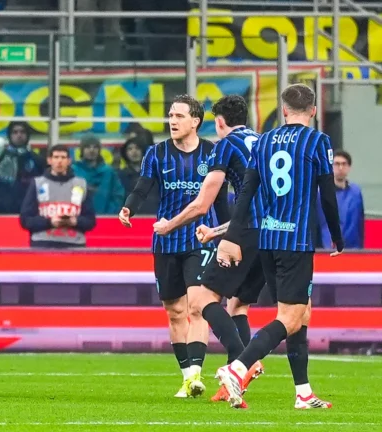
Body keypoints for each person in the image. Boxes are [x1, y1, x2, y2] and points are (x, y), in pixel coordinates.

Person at [215, 83, 342, 409]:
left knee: (301, 313)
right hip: (296, 241)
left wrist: (231, 236)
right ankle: (238, 368)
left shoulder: (264, 141)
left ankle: (303, 393)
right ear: (313, 111)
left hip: (268, 239)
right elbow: (327, 194)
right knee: (291, 316)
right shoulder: (318, 141)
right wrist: (337, 236)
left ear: (283, 110)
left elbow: (245, 193)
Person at [152, 95, 266, 402]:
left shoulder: (225, 145)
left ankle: (244, 361)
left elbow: (202, 204)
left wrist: (169, 225)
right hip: (273, 235)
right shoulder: (264, 141)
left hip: (245, 235)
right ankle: (234, 383)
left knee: (201, 300)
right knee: (238, 305)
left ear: (218, 122)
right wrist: (215, 231)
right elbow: (258, 203)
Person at [118, 94, 230, 398]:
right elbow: (142, 187)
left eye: (179, 116)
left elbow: (221, 199)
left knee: (197, 305)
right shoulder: (156, 153)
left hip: (200, 239)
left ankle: (196, 373)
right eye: (170, 115)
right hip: (165, 240)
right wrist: (129, 207)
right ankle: (187, 378)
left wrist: (227, 235)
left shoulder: (214, 153)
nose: (172, 121)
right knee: (175, 311)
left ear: (195, 121)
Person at [21, 145, 97, 248]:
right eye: (56, 157)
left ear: (69, 161)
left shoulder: (81, 184)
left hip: (74, 244)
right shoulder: (37, 183)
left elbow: (91, 221)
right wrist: (50, 222)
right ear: (49, 160)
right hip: (43, 243)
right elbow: (25, 220)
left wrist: (75, 221)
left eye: (63, 157)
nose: (59, 161)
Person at [0, 121, 45, 214]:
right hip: (2, 209)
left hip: (29, 209)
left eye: (22, 132)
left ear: (27, 135)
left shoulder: (36, 159)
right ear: (9, 135)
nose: (19, 135)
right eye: (15, 132)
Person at [317, 150, 364, 249]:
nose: (340, 168)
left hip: (354, 249)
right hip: (328, 248)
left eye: (344, 164)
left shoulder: (356, 192)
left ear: (349, 167)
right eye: (337, 164)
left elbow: (360, 222)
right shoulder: (321, 193)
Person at [72, 135, 125, 215]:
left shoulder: (109, 172)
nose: (92, 150)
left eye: (95, 147)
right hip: (79, 218)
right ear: (82, 150)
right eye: (87, 147)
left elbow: (118, 196)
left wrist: (110, 214)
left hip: (106, 218)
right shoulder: (74, 171)